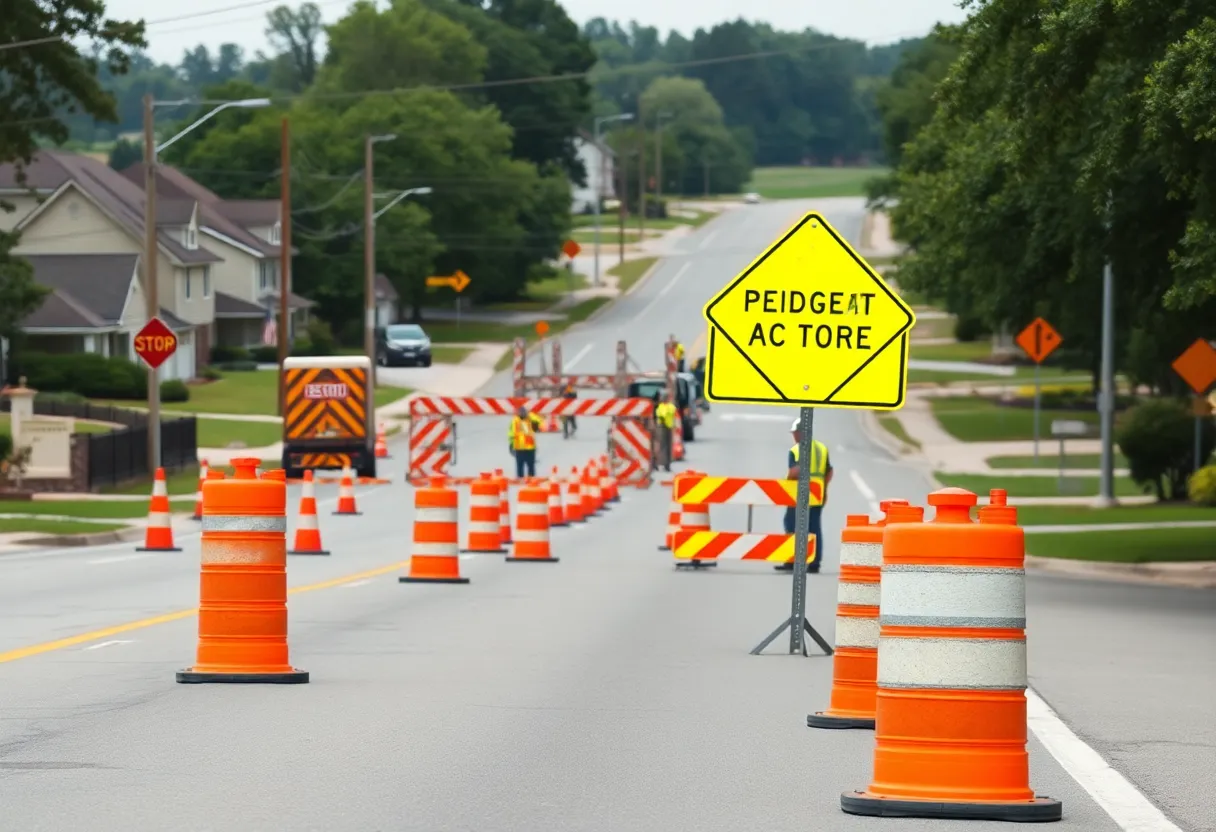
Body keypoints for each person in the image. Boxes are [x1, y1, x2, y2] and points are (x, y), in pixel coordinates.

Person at [776, 418, 832, 574]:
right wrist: (824, 489)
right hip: (817, 493)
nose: (794, 436)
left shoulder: (796, 450)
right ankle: (815, 563)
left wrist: (786, 484)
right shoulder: (821, 448)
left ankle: (791, 560)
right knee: (814, 527)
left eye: (795, 433)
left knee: (791, 523)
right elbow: (829, 472)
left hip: (799, 494)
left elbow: (795, 472)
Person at [508, 405, 543, 478]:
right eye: (520, 412)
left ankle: (531, 481)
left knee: (531, 467)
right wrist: (511, 444)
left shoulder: (530, 418)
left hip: (529, 448)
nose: (522, 414)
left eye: (524, 412)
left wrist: (530, 415)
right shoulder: (515, 421)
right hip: (519, 448)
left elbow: (540, 421)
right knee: (520, 467)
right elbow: (511, 433)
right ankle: (521, 481)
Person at [654, 392, 676, 473]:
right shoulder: (660, 407)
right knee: (661, 446)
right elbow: (661, 415)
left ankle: (667, 464)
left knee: (668, 446)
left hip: (668, 427)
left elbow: (672, 412)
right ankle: (659, 463)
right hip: (662, 427)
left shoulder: (670, 406)